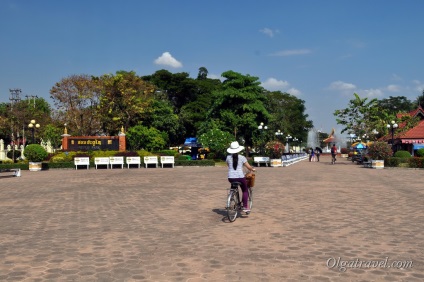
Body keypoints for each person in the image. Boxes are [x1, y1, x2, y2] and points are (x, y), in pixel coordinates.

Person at [226, 141, 255, 213]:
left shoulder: (228, 157)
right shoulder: (242, 157)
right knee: (245, 191)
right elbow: (248, 167)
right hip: (240, 177)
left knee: (233, 186)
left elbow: (229, 166)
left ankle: (231, 196)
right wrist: (252, 169)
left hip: (230, 177)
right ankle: (245, 206)